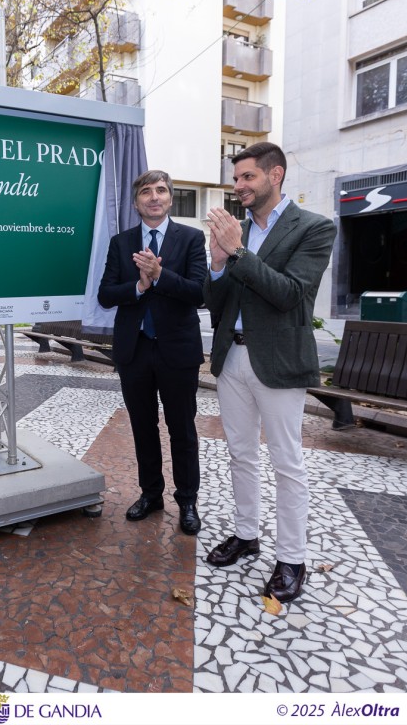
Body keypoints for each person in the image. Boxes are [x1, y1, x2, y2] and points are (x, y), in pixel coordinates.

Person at [202, 142, 335, 603]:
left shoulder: (314, 229)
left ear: (274, 175)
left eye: (247, 177)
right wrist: (218, 266)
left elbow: (290, 296)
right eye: (236, 178)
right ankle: (246, 535)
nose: (238, 186)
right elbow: (218, 306)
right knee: (240, 453)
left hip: (278, 361)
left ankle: (292, 559)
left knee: (287, 462)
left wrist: (237, 254)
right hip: (232, 358)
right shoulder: (236, 231)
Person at [97, 170, 207, 535]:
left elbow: (199, 293)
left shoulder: (191, 238)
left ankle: (188, 500)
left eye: (161, 190)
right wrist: (139, 286)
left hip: (177, 351)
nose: (154, 197)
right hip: (135, 350)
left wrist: (160, 275)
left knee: (182, 429)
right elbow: (106, 294)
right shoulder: (121, 241)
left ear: (171, 198)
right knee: (143, 427)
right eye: (146, 192)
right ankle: (150, 494)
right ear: (136, 202)